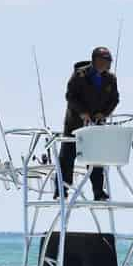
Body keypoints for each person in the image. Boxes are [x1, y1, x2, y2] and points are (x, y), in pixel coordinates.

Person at [54, 46, 120, 201]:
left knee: (95, 158)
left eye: (109, 61)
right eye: (104, 61)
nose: (107, 64)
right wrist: (82, 112)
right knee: (67, 157)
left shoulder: (111, 79)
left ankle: (98, 192)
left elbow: (114, 100)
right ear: (96, 60)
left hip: (95, 126)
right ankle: (61, 189)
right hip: (75, 123)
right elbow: (70, 96)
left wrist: (103, 114)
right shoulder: (80, 75)